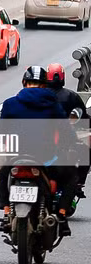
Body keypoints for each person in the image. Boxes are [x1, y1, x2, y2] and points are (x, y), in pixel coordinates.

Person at [0, 65, 80, 236]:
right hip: (47, 159)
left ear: (24, 83)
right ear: (44, 85)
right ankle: (62, 215)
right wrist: (71, 143)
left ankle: (6, 211)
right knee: (72, 176)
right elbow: (65, 130)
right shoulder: (52, 104)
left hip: (17, 158)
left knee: (2, 175)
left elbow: (3, 133)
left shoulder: (9, 104)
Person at [48, 63, 91, 197]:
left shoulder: (40, 96)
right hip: (64, 139)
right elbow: (83, 116)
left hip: (41, 139)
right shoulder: (71, 96)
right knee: (85, 151)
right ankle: (79, 183)